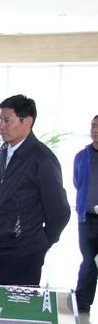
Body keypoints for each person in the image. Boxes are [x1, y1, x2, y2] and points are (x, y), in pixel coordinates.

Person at [0, 94, 70, 286]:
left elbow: (59, 212)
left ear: (27, 121)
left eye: (7, 120)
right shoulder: (4, 151)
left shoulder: (42, 159)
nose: (1, 126)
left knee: (15, 305)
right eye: (0, 120)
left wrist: (40, 243)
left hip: (22, 253)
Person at [73, 115, 98, 312]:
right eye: (93, 126)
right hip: (87, 218)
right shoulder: (82, 156)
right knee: (88, 261)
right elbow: (77, 182)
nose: (95, 130)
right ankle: (82, 304)